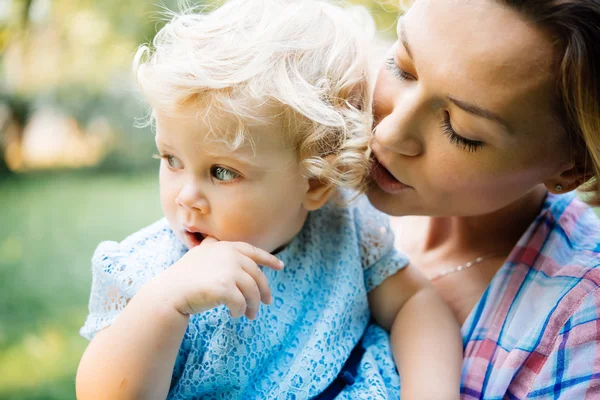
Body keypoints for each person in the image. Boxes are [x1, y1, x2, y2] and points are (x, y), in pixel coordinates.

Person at [75, 1, 462, 399]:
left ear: (313, 184)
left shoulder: (341, 226)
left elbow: (414, 304)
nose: (186, 197)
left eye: (222, 172)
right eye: (172, 160)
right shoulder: (147, 274)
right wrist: (163, 305)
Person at [355, 0, 600, 398]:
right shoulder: (303, 160)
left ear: (572, 168)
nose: (387, 136)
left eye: (461, 131)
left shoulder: (578, 326)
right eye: (403, 67)